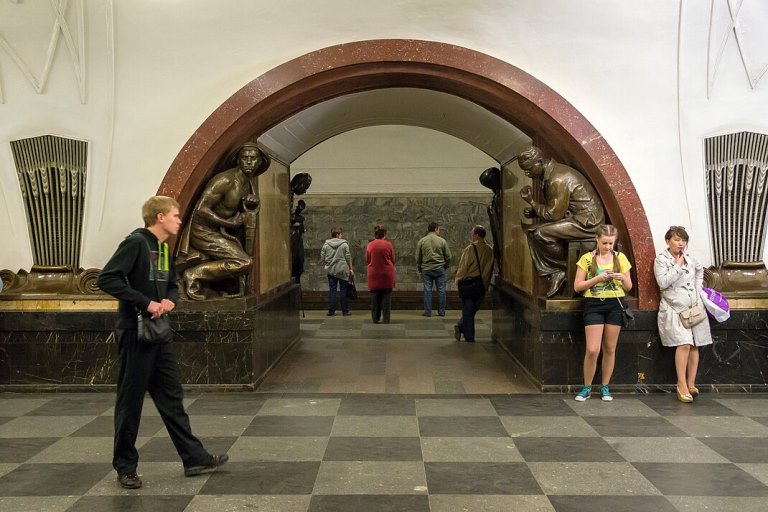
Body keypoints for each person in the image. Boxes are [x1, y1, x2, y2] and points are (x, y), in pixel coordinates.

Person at [97, 196, 228, 490]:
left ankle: (194, 458)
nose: (179, 220)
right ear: (159, 217)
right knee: (130, 403)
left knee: (172, 398)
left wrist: (170, 299)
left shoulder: (163, 249)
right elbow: (107, 279)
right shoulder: (135, 244)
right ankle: (125, 467)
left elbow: (170, 283)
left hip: (159, 332)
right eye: (175, 215)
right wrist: (146, 303)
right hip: (135, 333)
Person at [176, 142, 270, 300]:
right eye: (245, 157)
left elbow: (244, 211)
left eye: (253, 158)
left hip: (219, 231)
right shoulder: (225, 180)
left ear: (259, 162)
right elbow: (201, 209)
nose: (248, 161)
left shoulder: (248, 183)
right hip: (203, 231)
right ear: (238, 160)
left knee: (245, 259)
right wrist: (229, 223)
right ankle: (193, 275)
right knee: (244, 262)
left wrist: (252, 205)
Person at [518, 146, 605, 297]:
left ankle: (563, 269)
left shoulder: (557, 178)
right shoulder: (552, 174)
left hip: (587, 223)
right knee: (532, 231)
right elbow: (558, 209)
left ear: (539, 162)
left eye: (529, 169)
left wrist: (532, 202)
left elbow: (553, 215)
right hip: (576, 218)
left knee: (540, 234)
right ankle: (560, 270)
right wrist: (534, 211)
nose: (527, 173)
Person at [572, 224, 633, 401]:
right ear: (597, 240)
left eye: (610, 243)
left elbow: (629, 286)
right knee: (592, 349)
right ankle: (587, 386)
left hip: (616, 304)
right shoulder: (587, 259)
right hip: (594, 304)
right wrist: (598, 278)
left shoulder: (620, 258)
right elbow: (577, 286)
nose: (607, 247)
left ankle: (605, 386)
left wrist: (621, 278)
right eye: (604, 243)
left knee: (610, 347)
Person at [654, 225, 712, 403]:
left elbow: (700, 271)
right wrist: (677, 267)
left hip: (694, 308)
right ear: (668, 241)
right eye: (677, 240)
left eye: (683, 240)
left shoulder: (690, 259)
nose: (681, 244)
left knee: (696, 344)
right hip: (674, 308)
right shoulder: (661, 260)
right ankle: (681, 384)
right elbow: (662, 282)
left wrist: (698, 289)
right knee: (684, 343)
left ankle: (691, 383)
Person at [453, 225, 494, 342]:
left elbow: (463, 266)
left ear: (476, 235)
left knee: (468, 310)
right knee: (472, 310)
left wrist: (458, 280)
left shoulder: (470, 249)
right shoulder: (490, 250)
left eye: (472, 233)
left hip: (469, 284)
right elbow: (489, 269)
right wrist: (485, 284)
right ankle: (464, 330)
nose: (471, 235)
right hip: (481, 285)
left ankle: (465, 331)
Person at [416, 222, 452, 317]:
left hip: (427, 269)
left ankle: (428, 312)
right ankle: (441, 311)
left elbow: (418, 257)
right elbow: (448, 256)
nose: (439, 231)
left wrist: (420, 266)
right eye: (438, 229)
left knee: (427, 290)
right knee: (441, 290)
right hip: (440, 268)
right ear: (436, 229)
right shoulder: (442, 241)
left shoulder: (422, 241)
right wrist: (446, 265)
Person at [320, 227, 353, 316]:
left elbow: (322, 257)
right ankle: (345, 311)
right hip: (342, 270)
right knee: (343, 290)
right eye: (341, 234)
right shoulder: (344, 244)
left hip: (331, 270)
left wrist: (327, 264)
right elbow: (348, 257)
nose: (342, 236)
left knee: (332, 290)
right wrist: (350, 268)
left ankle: (331, 310)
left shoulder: (326, 245)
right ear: (337, 235)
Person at [366, 225, 396, 324]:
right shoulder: (389, 244)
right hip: (387, 274)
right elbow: (393, 259)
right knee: (386, 298)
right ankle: (386, 319)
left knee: (375, 298)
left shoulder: (370, 245)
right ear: (384, 234)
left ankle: (375, 318)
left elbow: (368, 260)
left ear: (375, 234)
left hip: (373, 274)